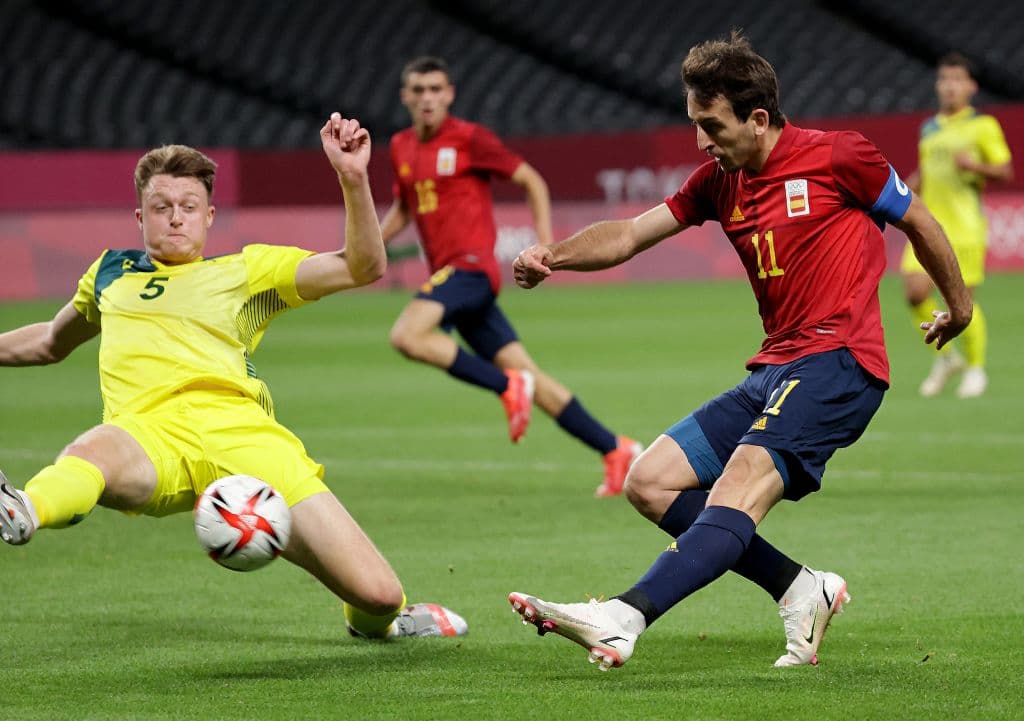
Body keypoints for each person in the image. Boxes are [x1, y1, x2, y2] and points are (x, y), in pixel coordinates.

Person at [507, 32, 972, 670]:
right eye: (694, 123)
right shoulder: (718, 182)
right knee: (649, 482)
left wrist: (961, 306)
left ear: (757, 118)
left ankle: (623, 616)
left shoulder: (840, 157)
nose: (700, 140)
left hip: (841, 364)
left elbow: (918, 219)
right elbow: (631, 234)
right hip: (774, 368)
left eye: (710, 124)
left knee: (741, 481)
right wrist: (552, 255)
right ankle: (801, 589)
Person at [0, 113, 467, 641]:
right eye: (161, 208)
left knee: (378, 594)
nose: (175, 218)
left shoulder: (247, 272)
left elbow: (361, 267)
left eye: (188, 208)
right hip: (148, 434)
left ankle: (379, 626)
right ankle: (26, 509)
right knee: (95, 452)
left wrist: (353, 178)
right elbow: (47, 343)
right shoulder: (110, 273)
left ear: (209, 216)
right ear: (139, 216)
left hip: (245, 437)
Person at [381, 56, 641, 497]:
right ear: (406, 96)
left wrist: (546, 245)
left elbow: (532, 181)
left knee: (407, 336)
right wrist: (367, 245)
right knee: (534, 377)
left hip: (469, 269)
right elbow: (406, 206)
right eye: (419, 90)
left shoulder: (470, 139)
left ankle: (506, 386)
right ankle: (616, 450)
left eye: (435, 89)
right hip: (456, 283)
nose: (427, 98)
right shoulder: (401, 146)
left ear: (449, 94)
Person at [901, 52, 1013, 399]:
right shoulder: (930, 127)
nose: (948, 86)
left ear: (971, 86)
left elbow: (1005, 170)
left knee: (962, 302)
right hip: (929, 225)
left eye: (956, 79)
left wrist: (974, 167)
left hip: (964, 227)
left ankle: (976, 369)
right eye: (943, 79)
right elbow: (927, 172)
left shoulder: (982, 126)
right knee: (915, 292)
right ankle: (948, 359)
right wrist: (907, 186)